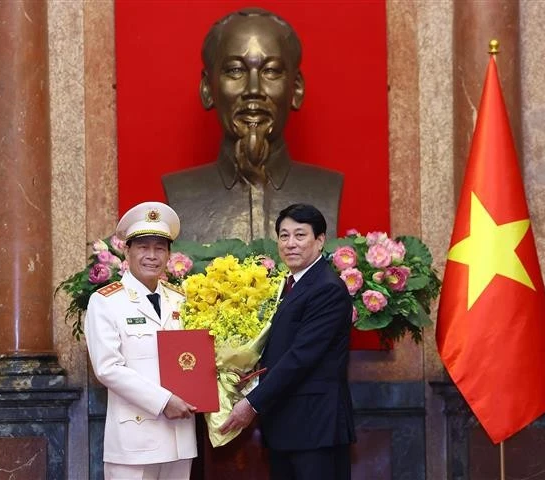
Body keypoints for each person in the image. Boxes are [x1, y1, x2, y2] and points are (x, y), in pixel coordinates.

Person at [163, 8, 342, 242]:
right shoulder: (181, 192)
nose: (254, 90)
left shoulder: (326, 188)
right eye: (236, 70)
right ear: (207, 88)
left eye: (271, 71)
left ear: (296, 88)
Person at [219, 203, 355, 480]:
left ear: (319, 241)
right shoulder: (290, 284)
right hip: (288, 425)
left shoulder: (326, 288)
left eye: (300, 235)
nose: (290, 243)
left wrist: (252, 403)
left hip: (315, 427)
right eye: (284, 235)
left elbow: (300, 357)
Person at [85, 201, 197, 480]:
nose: (152, 256)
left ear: (169, 254)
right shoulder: (106, 302)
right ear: (127, 251)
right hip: (134, 440)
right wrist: (163, 401)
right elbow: (108, 368)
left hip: (180, 436)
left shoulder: (181, 299)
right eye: (143, 247)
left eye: (160, 248)